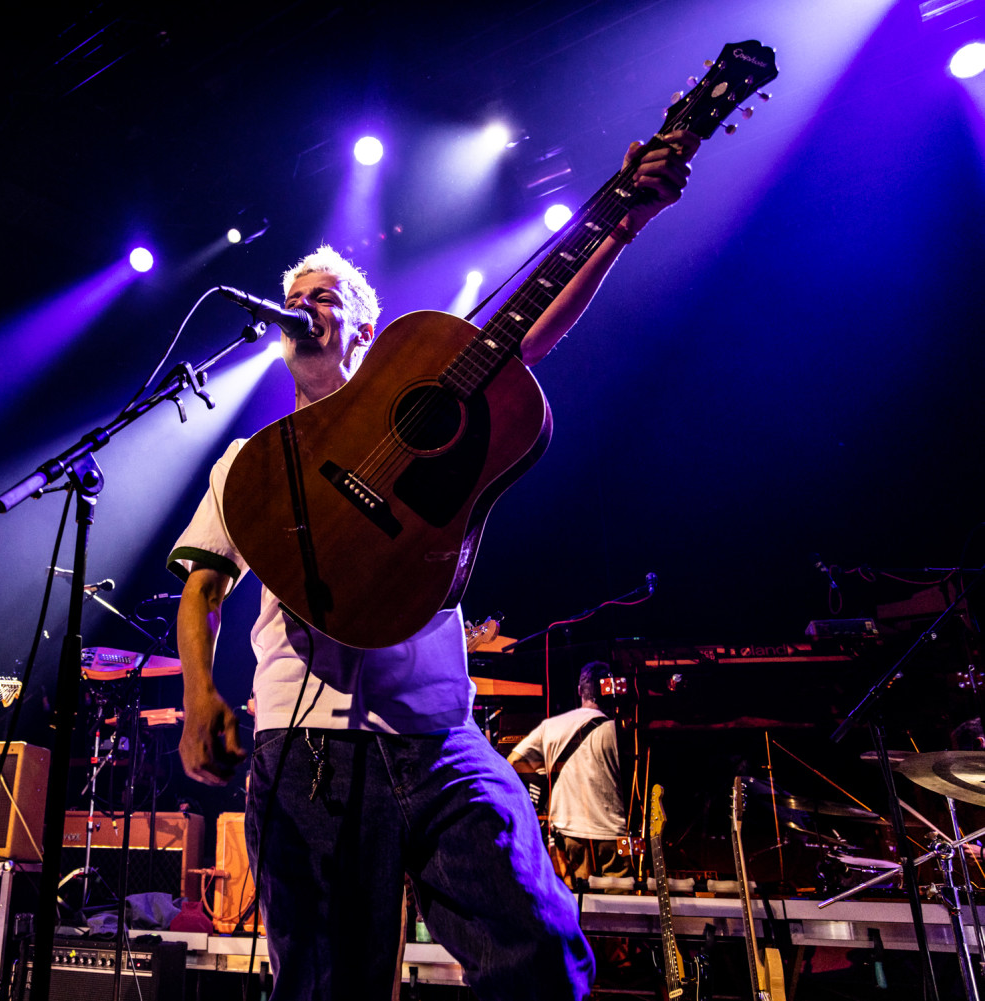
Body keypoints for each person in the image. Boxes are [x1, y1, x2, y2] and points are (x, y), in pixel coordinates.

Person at [168, 131, 702, 1000]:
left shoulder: (427, 400)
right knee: (327, 987)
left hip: (438, 737)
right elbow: (201, 587)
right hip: (305, 751)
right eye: (295, 299)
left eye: (327, 297)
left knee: (541, 953)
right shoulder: (249, 460)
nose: (307, 309)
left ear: (370, 331)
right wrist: (198, 694)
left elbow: (522, 342)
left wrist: (622, 224)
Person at [508, 662, 631, 884]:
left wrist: (544, 771)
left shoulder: (552, 726)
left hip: (571, 832)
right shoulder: (619, 730)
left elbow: (513, 762)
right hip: (613, 833)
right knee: (620, 908)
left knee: (581, 906)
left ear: (579, 691)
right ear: (608, 691)